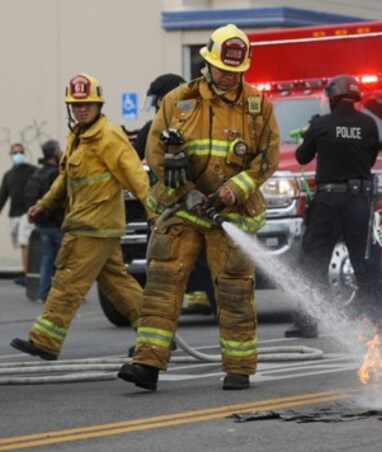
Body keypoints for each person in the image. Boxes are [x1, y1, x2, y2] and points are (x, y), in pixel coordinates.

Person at [118, 24, 280, 391]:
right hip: (182, 207)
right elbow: (155, 151)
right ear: (208, 62)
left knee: (234, 289)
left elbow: (266, 160)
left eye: (237, 71)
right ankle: (147, 364)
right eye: (224, 69)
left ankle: (239, 368)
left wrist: (231, 192)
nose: (230, 76)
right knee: (162, 283)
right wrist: (185, 189)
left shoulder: (259, 106)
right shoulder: (179, 100)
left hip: (231, 213)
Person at [9, 73, 154, 361]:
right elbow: (65, 179)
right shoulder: (77, 138)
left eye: (87, 104)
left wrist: (153, 212)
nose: (81, 109)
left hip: (93, 226)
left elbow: (135, 175)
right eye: (76, 106)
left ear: (98, 105)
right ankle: (156, 338)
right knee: (118, 285)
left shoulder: (109, 136)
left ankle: (46, 340)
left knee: (67, 280)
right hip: (91, 225)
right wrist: (43, 204)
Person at [284, 74, 382, 338]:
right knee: (365, 262)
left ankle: (308, 323)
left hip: (328, 203)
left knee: (313, 261)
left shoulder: (321, 125)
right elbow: (371, 158)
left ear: (332, 97)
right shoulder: (368, 125)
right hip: (360, 203)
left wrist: (309, 137)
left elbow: (302, 156)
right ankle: (379, 323)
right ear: (354, 97)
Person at [136, 73, 214, 316]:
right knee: (207, 265)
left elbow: (132, 157)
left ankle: (160, 337)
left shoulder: (154, 129)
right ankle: (224, 318)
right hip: (201, 208)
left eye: (157, 101)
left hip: (173, 212)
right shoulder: (201, 122)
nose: (156, 108)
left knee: (165, 274)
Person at [24, 140, 65, 302]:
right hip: (56, 224)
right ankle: (64, 295)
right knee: (66, 260)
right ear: (55, 154)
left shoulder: (38, 173)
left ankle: (42, 293)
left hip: (42, 224)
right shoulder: (56, 173)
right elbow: (58, 198)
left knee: (47, 258)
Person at [0, 143, 37, 286]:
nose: (18, 154)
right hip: (13, 215)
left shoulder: (33, 171)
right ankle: (29, 272)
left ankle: (27, 275)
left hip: (27, 214)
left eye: (21, 152)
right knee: (20, 243)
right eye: (15, 153)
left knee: (24, 243)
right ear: (11, 155)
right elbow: (3, 196)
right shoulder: (8, 175)